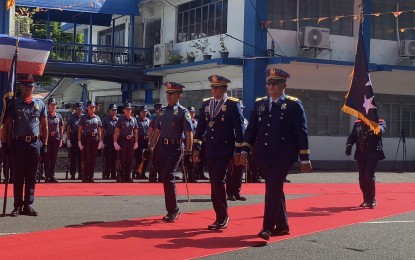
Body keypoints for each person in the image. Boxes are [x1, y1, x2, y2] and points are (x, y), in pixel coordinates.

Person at [241, 68, 312, 241]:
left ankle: (267, 227)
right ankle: (282, 225)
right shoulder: (260, 104)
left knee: (272, 188)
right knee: (275, 188)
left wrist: (304, 158)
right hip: (264, 154)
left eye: (276, 83)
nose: (272, 86)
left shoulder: (294, 105)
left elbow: (301, 132)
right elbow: (251, 129)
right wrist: (244, 149)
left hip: (284, 154)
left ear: (284, 85)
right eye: (269, 83)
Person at [192, 75, 245, 230]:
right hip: (211, 148)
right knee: (214, 182)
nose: (214, 90)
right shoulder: (207, 104)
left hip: (225, 148)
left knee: (217, 180)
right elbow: (201, 127)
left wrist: (239, 151)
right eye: (213, 87)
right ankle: (220, 215)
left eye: (217, 87)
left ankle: (222, 216)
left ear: (224, 89)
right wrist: (196, 147)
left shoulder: (232, 104)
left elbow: (239, 129)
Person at [0, 74, 48, 216]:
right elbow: (7, 125)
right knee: (18, 175)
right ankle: (17, 205)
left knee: (31, 176)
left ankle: (28, 205)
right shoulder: (14, 104)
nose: (29, 88)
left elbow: (44, 126)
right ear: (20, 87)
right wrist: (4, 143)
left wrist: (44, 144)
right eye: (26, 85)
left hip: (34, 144)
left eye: (31, 85)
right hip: (18, 143)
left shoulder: (40, 104)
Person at [148, 82, 193, 222]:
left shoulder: (183, 112)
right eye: (168, 93)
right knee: (165, 176)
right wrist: (151, 147)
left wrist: (189, 151)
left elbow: (188, 132)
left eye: (172, 93)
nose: (168, 96)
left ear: (179, 95)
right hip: (163, 146)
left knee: (168, 175)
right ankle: (172, 209)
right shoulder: (162, 111)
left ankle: (173, 210)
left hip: (176, 147)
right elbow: (157, 131)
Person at [345, 119, 386, 209]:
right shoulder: (357, 123)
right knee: (362, 178)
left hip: (373, 153)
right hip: (361, 153)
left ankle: (371, 200)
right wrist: (349, 145)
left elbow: (381, 130)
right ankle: (366, 199)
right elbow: (352, 136)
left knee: (368, 176)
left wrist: (373, 126)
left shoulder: (379, 122)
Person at [226, 102, 248, 201]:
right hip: (231, 147)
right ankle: (230, 193)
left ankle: (237, 192)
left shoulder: (245, 121)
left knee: (239, 171)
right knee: (230, 171)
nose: (241, 110)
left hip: (242, 148)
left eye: (242, 108)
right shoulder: (230, 119)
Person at [78, 101, 103, 183]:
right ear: (87, 108)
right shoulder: (84, 118)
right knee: (86, 158)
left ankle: (91, 176)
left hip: (94, 138)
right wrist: (79, 141)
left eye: (93, 107)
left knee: (93, 158)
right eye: (91, 107)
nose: (92, 108)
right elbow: (80, 130)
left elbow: (99, 129)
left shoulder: (97, 118)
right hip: (86, 138)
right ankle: (85, 176)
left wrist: (100, 141)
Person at [113, 103, 139, 183]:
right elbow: (117, 131)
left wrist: (136, 142)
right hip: (122, 140)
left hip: (130, 141)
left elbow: (135, 132)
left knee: (129, 159)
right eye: (127, 109)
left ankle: (128, 176)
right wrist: (115, 142)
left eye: (130, 109)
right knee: (122, 159)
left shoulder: (134, 119)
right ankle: (121, 176)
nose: (128, 111)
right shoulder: (120, 119)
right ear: (124, 110)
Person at [44, 98, 63, 183]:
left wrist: (61, 139)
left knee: (54, 158)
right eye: (51, 104)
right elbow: (42, 127)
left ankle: (52, 175)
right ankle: (47, 176)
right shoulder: (45, 115)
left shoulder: (58, 116)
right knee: (47, 158)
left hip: (56, 138)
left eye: (54, 105)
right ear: (48, 106)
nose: (53, 106)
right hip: (47, 139)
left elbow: (61, 127)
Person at [67, 102, 84, 180]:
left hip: (82, 137)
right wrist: (68, 139)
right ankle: (73, 174)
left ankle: (81, 174)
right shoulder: (72, 117)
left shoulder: (84, 117)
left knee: (81, 157)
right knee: (73, 157)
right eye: (78, 109)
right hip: (74, 137)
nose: (79, 110)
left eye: (81, 109)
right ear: (76, 109)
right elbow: (68, 129)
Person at [102, 104, 119, 180]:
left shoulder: (118, 119)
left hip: (116, 140)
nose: (114, 111)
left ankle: (113, 174)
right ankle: (107, 174)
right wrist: (101, 141)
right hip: (108, 139)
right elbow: (102, 131)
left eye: (115, 110)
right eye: (112, 110)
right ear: (109, 110)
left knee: (115, 158)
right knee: (108, 157)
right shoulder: (105, 119)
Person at [181, 106, 197, 183]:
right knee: (185, 161)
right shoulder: (184, 121)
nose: (192, 113)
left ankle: (192, 176)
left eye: (193, 112)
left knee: (192, 161)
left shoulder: (196, 122)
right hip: (185, 142)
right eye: (190, 112)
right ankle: (184, 177)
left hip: (194, 143)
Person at [134, 105, 150, 180]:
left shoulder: (148, 120)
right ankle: (137, 173)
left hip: (146, 140)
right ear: (140, 112)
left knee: (146, 157)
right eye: (143, 112)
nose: (144, 113)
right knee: (139, 157)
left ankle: (143, 173)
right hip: (139, 140)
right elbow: (135, 131)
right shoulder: (136, 120)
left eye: (145, 112)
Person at [148, 103, 163, 183]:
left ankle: (161, 177)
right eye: (159, 109)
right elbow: (150, 132)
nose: (161, 111)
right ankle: (153, 177)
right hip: (155, 143)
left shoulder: (164, 119)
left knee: (162, 160)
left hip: (163, 142)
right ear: (156, 110)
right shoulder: (154, 119)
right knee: (154, 161)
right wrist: (150, 143)